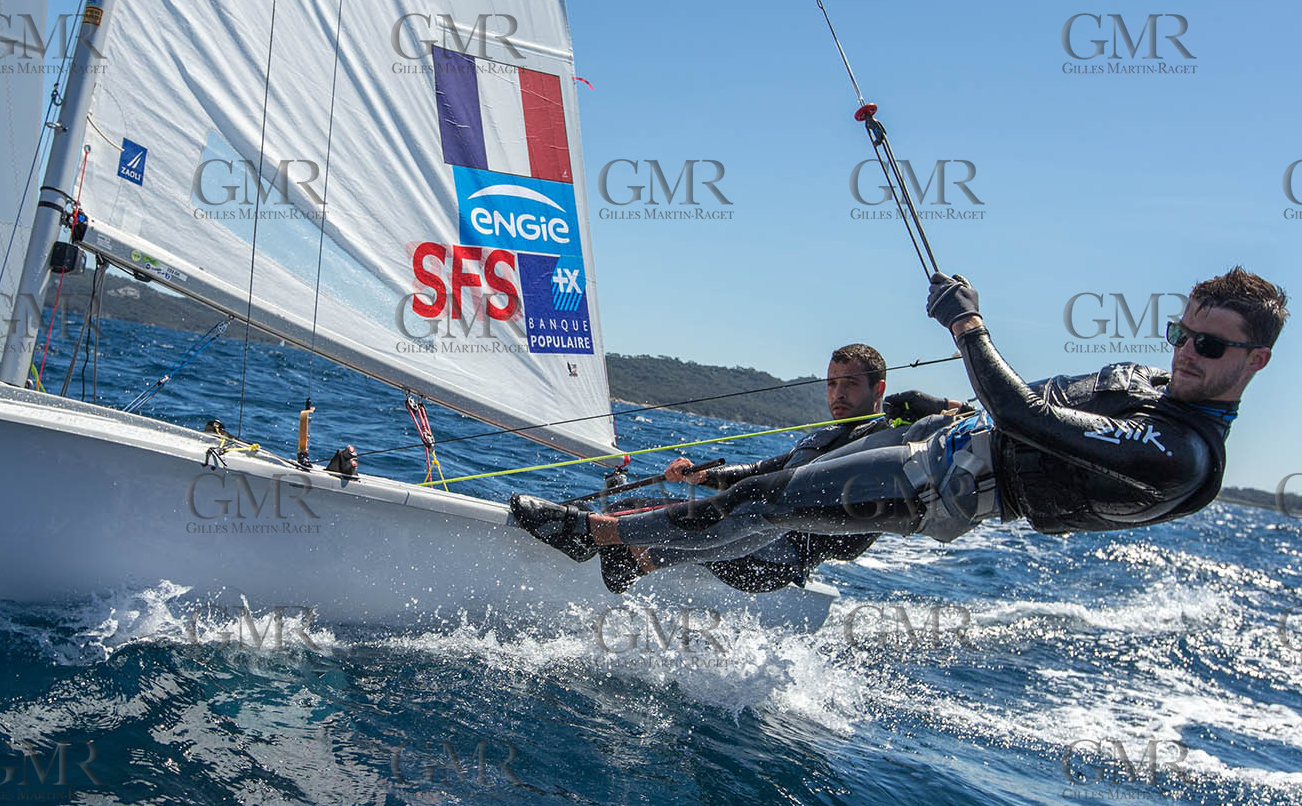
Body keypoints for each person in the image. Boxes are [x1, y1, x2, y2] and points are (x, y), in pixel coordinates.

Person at [512, 267, 1284, 582]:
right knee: (777, 484)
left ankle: (600, 536)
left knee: (775, 502)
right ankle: (633, 553)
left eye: (1208, 344)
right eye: (1182, 332)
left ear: (1256, 360)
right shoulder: (1152, 389)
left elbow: (1024, 417)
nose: (1185, 352)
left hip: (937, 491)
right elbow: (1001, 413)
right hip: (942, 445)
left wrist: (969, 328)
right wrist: (937, 408)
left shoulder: (1177, 453)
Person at [639, 344, 965, 596]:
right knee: (634, 513)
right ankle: (617, 546)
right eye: (832, 383)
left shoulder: (887, 439)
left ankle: (620, 555)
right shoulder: (821, 438)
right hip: (746, 540)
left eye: (849, 384)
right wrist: (703, 476)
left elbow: (956, 424)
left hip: (771, 562)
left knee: (638, 528)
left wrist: (941, 407)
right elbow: (759, 472)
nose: (837, 393)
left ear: (877, 390)